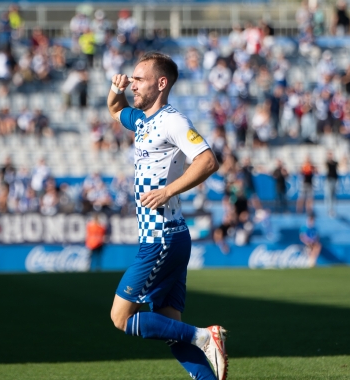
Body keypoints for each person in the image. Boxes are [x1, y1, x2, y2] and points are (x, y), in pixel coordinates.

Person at [106, 52, 227, 380]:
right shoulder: (144, 120)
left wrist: (168, 190)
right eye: (131, 79)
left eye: (139, 79)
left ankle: (203, 336)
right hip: (168, 237)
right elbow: (115, 110)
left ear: (161, 84)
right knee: (169, 326)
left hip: (161, 237)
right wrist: (116, 90)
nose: (133, 85)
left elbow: (207, 160)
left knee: (121, 317)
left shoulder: (173, 120)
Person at [325, 152, 339, 218]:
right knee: (329, 195)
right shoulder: (327, 163)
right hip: (329, 181)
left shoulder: (335, 163)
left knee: (334, 196)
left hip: (335, 180)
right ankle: (330, 210)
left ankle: (333, 209)